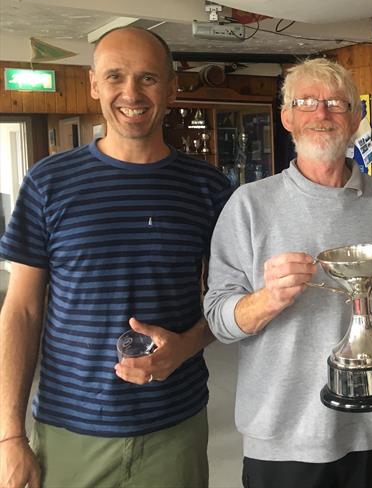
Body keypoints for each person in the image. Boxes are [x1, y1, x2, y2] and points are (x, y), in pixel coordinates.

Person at [0, 27, 231, 488]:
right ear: (92, 84)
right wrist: (9, 436)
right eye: (115, 77)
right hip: (69, 429)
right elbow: (22, 309)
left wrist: (182, 348)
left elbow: (231, 303)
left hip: (175, 426)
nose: (131, 93)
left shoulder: (209, 188)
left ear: (171, 86)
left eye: (147, 78)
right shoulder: (49, 182)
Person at [204, 58, 372, 488]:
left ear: (356, 118)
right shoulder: (248, 206)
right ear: (287, 117)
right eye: (306, 102)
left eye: (336, 104)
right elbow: (218, 317)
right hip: (281, 435)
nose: (321, 114)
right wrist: (268, 298)